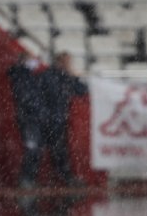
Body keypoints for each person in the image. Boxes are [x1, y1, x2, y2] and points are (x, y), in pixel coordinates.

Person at [38, 51, 87, 187]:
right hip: (49, 120)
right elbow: (49, 96)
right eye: (66, 62)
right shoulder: (48, 76)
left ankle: (62, 178)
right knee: (51, 150)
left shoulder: (65, 77)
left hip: (59, 119)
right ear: (59, 62)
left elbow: (82, 90)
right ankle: (54, 179)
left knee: (59, 150)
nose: (68, 65)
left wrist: (74, 77)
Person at [7, 52, 47, 189]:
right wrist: (37, 107)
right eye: (31, 60)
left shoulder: (28, 76)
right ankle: (26, 179)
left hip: (34, 118)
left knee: (37, 149)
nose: (35, 62)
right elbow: (25, 97)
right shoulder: (21, 75)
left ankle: (30, 178)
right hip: (28, 118)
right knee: (32, 149)